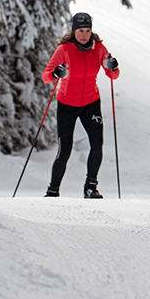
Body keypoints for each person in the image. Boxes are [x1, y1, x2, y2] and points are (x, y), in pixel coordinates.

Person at [42, 13, 120, 198]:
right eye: (80, 31)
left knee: (97, 144)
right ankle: (53, 190)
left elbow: (113, 75)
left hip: (91, 103)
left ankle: (90, 187)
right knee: (64, 149)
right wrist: (55, 73)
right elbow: (46, 77)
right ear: (73, 31)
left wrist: (114, 66)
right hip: (67, 103)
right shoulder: (64, 50)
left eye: (87, 30)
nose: (84, 35)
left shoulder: (99, 48)